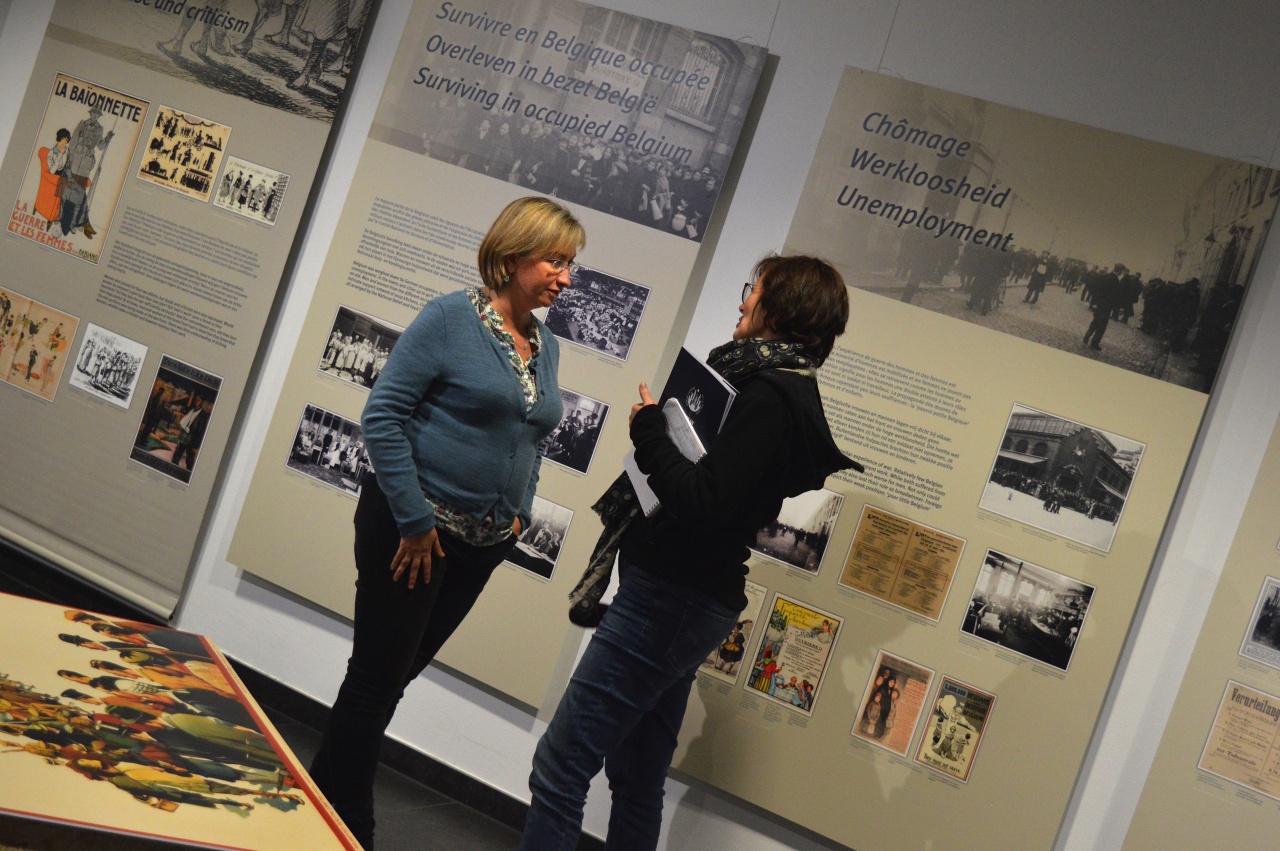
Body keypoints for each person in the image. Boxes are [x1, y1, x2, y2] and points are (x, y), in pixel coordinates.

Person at [522, 254, 860, 849]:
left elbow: (703, 501)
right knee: (636, 778)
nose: (743, 301)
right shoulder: (781, 388)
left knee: (559, 766)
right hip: (684, 598)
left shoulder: (769, 396)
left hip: (669, 599)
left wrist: (651, 432)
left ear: (781, 307)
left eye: (753, 291)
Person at [308, 196, 584, 850]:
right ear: (513, 256)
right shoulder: (449, 318)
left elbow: (534, 436)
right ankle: (353, 831)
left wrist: (520, 512)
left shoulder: (545, 345)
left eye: (571, 264)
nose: (566, 278)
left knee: (387, 681)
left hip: (480, 546)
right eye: (556, 261)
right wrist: (412, 520)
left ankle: (311, 806)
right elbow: (382, 418)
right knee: (376, 683)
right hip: (413, 535)